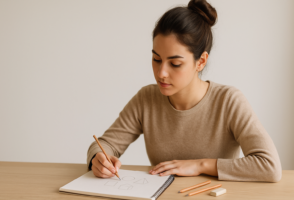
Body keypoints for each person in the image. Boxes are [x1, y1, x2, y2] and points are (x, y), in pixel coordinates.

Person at [87, 0, 282, 182]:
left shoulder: (229, 101)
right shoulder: (146, 99)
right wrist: (99, 159)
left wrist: (200, 165)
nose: (161, 72)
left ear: (201, 61)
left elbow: (270, 166)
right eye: (156, 59)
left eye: (175, 63)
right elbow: (104, 145)